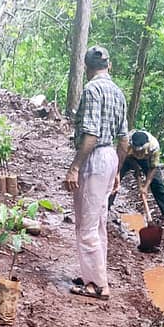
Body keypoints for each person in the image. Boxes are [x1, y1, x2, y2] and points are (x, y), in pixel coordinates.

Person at [64, 46, 127, 300]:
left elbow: (90, 135)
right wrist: (117, 171)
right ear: (109, 66)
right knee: (99, 221)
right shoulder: (118, 92)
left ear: (87, 68)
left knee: (87, 224)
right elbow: (124, 139)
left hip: (95, 157)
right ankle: (95, 275)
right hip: (110, 156)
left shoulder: (92, 90)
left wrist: (75, 167)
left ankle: (97, 286)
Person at [109, 129, 164, 221]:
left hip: (146, 160)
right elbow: (120, 160)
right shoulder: (126, 143)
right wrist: (135, 168)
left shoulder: (154, 147)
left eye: (141, 151)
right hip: (127, 158)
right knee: (113, 180)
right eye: (136, 151)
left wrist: (145, 187)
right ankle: (106, 207)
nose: (138, 153)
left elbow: (153, 168)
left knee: (157, 182)